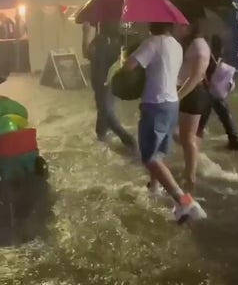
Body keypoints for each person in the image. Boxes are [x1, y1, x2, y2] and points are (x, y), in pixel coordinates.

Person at [123, 22, 206, 223]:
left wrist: (127, 55)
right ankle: (155, 188)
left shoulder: (151, 43)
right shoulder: (176, 45)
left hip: (155, 104)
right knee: (160, 152)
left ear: (151, 25)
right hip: (172, 103)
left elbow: (128, 67)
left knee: (150, 157)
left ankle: (184, 201)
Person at [88, 21, 137, 151]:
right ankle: (102, 139)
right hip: (107, 80)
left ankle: (128, 141)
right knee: (104, 111)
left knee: (106, 111)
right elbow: (90, 55)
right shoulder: (111, 39)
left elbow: (88, 54)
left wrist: (85, 34)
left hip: (104, 80)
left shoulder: (107, 39)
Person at [176, 24, 212, 192]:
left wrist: (177, 97)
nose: (178, 27)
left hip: (194, 93)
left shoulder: (198, 46)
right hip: (194, 93)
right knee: (192, 137)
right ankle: (193, 169)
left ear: (191, 26)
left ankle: (190, 177)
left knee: (187, 138)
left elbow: (196, 77)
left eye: (182, 25)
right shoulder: (193, 44)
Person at [197, 34, 238, 150]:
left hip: (207, 93)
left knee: (199, 123)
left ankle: (194, 145)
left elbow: (203, 75)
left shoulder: (207, 56)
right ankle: (236, 141)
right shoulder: (223, 57)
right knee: (225, 117)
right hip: (218, 93)